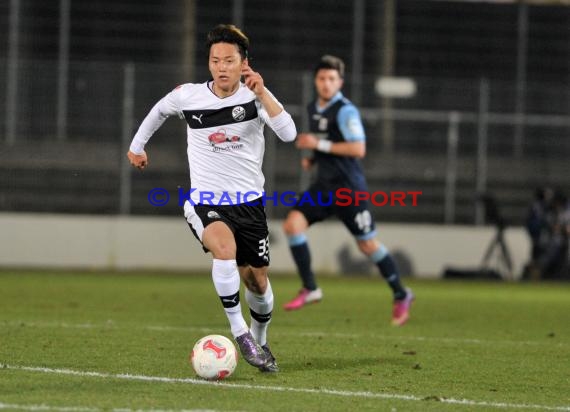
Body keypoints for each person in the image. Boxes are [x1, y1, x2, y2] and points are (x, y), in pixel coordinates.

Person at [127, 24, 297, 372]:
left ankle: (260, 341)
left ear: (243, 63)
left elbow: (290, 134)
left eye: (229, 60)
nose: (221, 67)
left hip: (250, 205)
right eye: (215, 60)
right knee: (224, 249)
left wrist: (263, 93)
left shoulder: (256, 96)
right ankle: (240, 334)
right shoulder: (189, 96)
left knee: (257, 280)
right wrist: (136, 147)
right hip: (206, 200)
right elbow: (158, 110)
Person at [282, 55, 414, 326]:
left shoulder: (346, 111)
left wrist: (318, 147)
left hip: (349, 190)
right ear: (315, 81)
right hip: (324, 187)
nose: (326, 84)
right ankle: (310, 288)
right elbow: (326, 142)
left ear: (340, 82)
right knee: (293, 225)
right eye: (322, 78)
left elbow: (357, 149)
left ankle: (401, 293)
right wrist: (313, 158)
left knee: (367, 245)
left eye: (332, 79)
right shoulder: (312, 108)